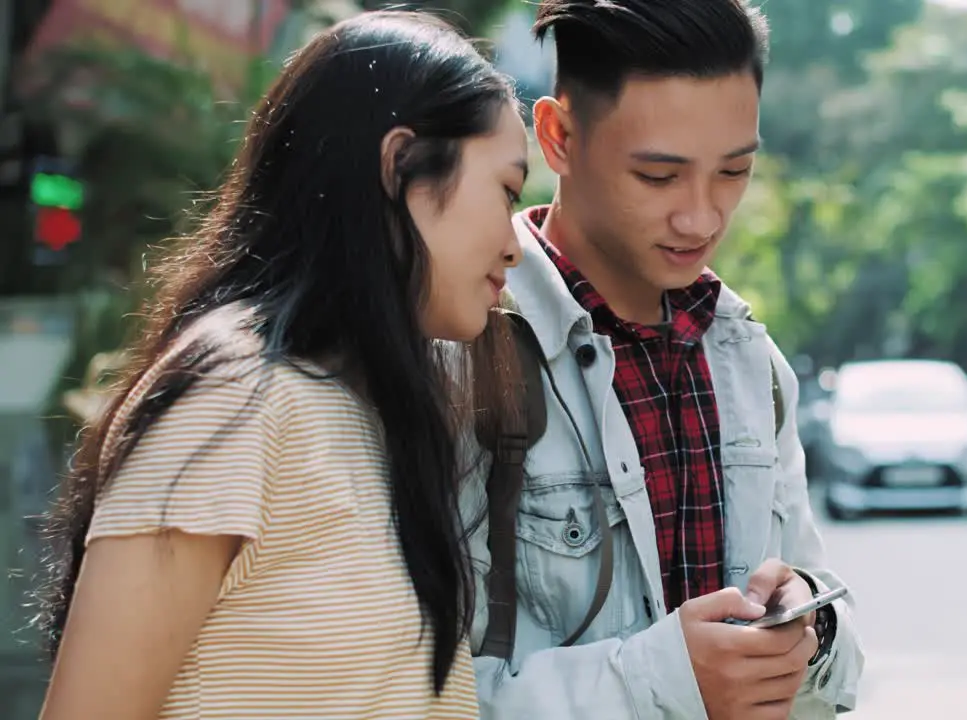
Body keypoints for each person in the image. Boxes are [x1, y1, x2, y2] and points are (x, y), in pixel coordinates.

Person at [37, 11, 527, 719]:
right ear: (400, 168)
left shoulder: (372, 411)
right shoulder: (233, 402)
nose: (515, 244)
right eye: (507, 191)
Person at [463, 1, 864, 718]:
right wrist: (669, 679)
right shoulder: (465, 351)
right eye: (659, 177)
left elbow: (835, 664)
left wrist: (812, 624)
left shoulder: (753, 365)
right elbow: (413, 688)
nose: (702, 217)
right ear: (558, 136)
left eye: (734, 172)